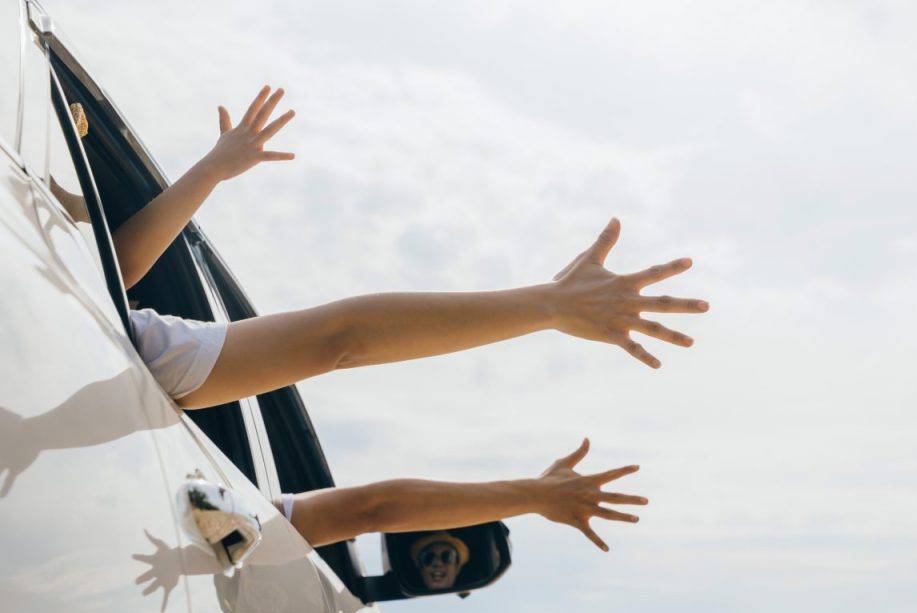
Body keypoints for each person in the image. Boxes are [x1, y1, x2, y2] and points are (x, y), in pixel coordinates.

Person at [59, 86, 709, 409]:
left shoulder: (114, 328)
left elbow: (115, 272)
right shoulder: (125, 345)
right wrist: (547, 306)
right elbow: (341, 337)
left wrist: (211, 170)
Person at [274, 438, 641, 553]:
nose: (436, 566)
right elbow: (372, 511)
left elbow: (374, 511)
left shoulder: (241, 517)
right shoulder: (242, 521)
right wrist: (537, 496)